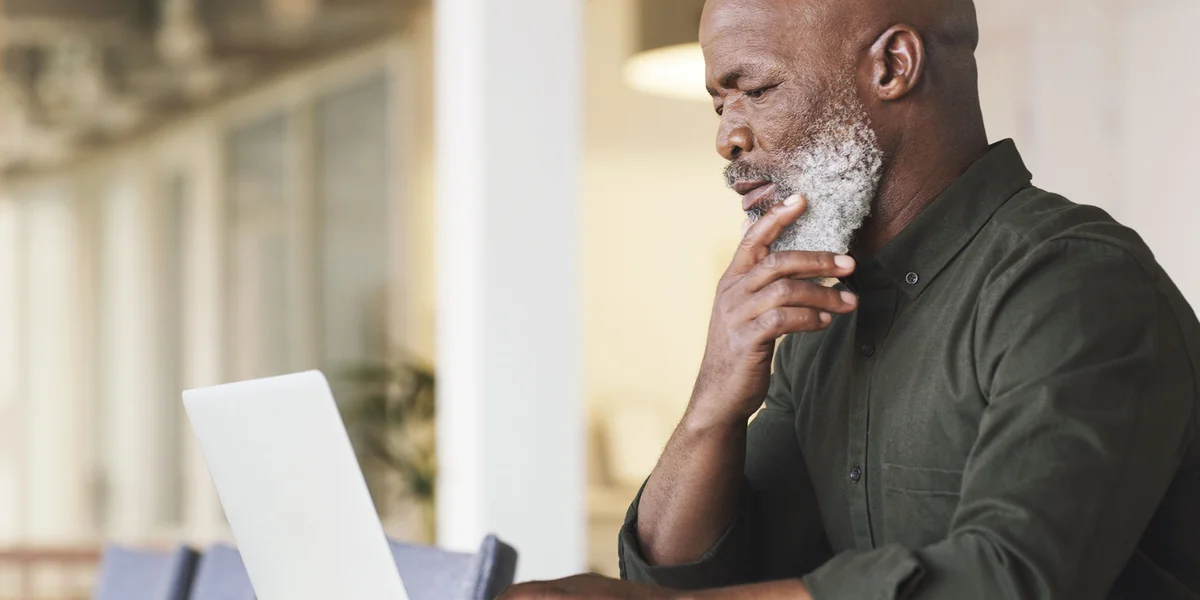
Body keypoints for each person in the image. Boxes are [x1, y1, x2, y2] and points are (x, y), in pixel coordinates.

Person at [501, 0, 1200, 597]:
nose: (726, 137)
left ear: (893, 65)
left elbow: (1009, 581)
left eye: (757, 90)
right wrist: (713, 405)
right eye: (720, 103)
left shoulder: (1074, 284)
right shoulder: (820, 319)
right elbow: (693, 578)